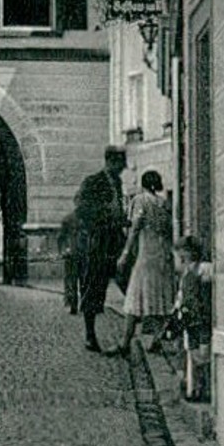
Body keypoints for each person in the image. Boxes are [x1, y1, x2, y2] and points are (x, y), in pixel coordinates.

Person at [72, 146, 128, 352]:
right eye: (120, 165)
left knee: (127, 280)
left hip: (116, 241)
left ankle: (129, 333)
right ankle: (90, 335)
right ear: (110, 162)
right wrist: (108, 215)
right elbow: (81, 209)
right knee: (94, 288)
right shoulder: (93, 181)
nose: (122, 169)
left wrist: (121, 219)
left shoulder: (117, 182)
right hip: (97, 244)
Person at [115, 170, 175, 355]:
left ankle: (125, 343)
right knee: (162, 298)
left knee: (134, 298)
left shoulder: (141, 200)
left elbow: (135, 228)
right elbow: (168, 231)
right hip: (164, 255)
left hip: (146, 255)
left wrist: (125, 253)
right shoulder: (164, 203)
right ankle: (156, 340)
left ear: (143, 184)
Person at [173, 235, 213, 402]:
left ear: (191, 252)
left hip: (203, 318)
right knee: (193, 352)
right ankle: (195, 388)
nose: (180, 256)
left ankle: (206, 387)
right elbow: (181, 296)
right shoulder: (186, 273)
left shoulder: (204, 268)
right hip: (190, 321)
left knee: (205, 353)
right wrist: (177, 309)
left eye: (183, 252)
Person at [57, 212, 79, 314]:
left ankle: (72, 302)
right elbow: (61, 237)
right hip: (75, 253)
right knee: (72, 279)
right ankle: (73, 302)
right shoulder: (69, 218)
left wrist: (62, 250)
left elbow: (60, 237)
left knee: (71, 279)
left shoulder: (68, 218)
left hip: (74, 253)